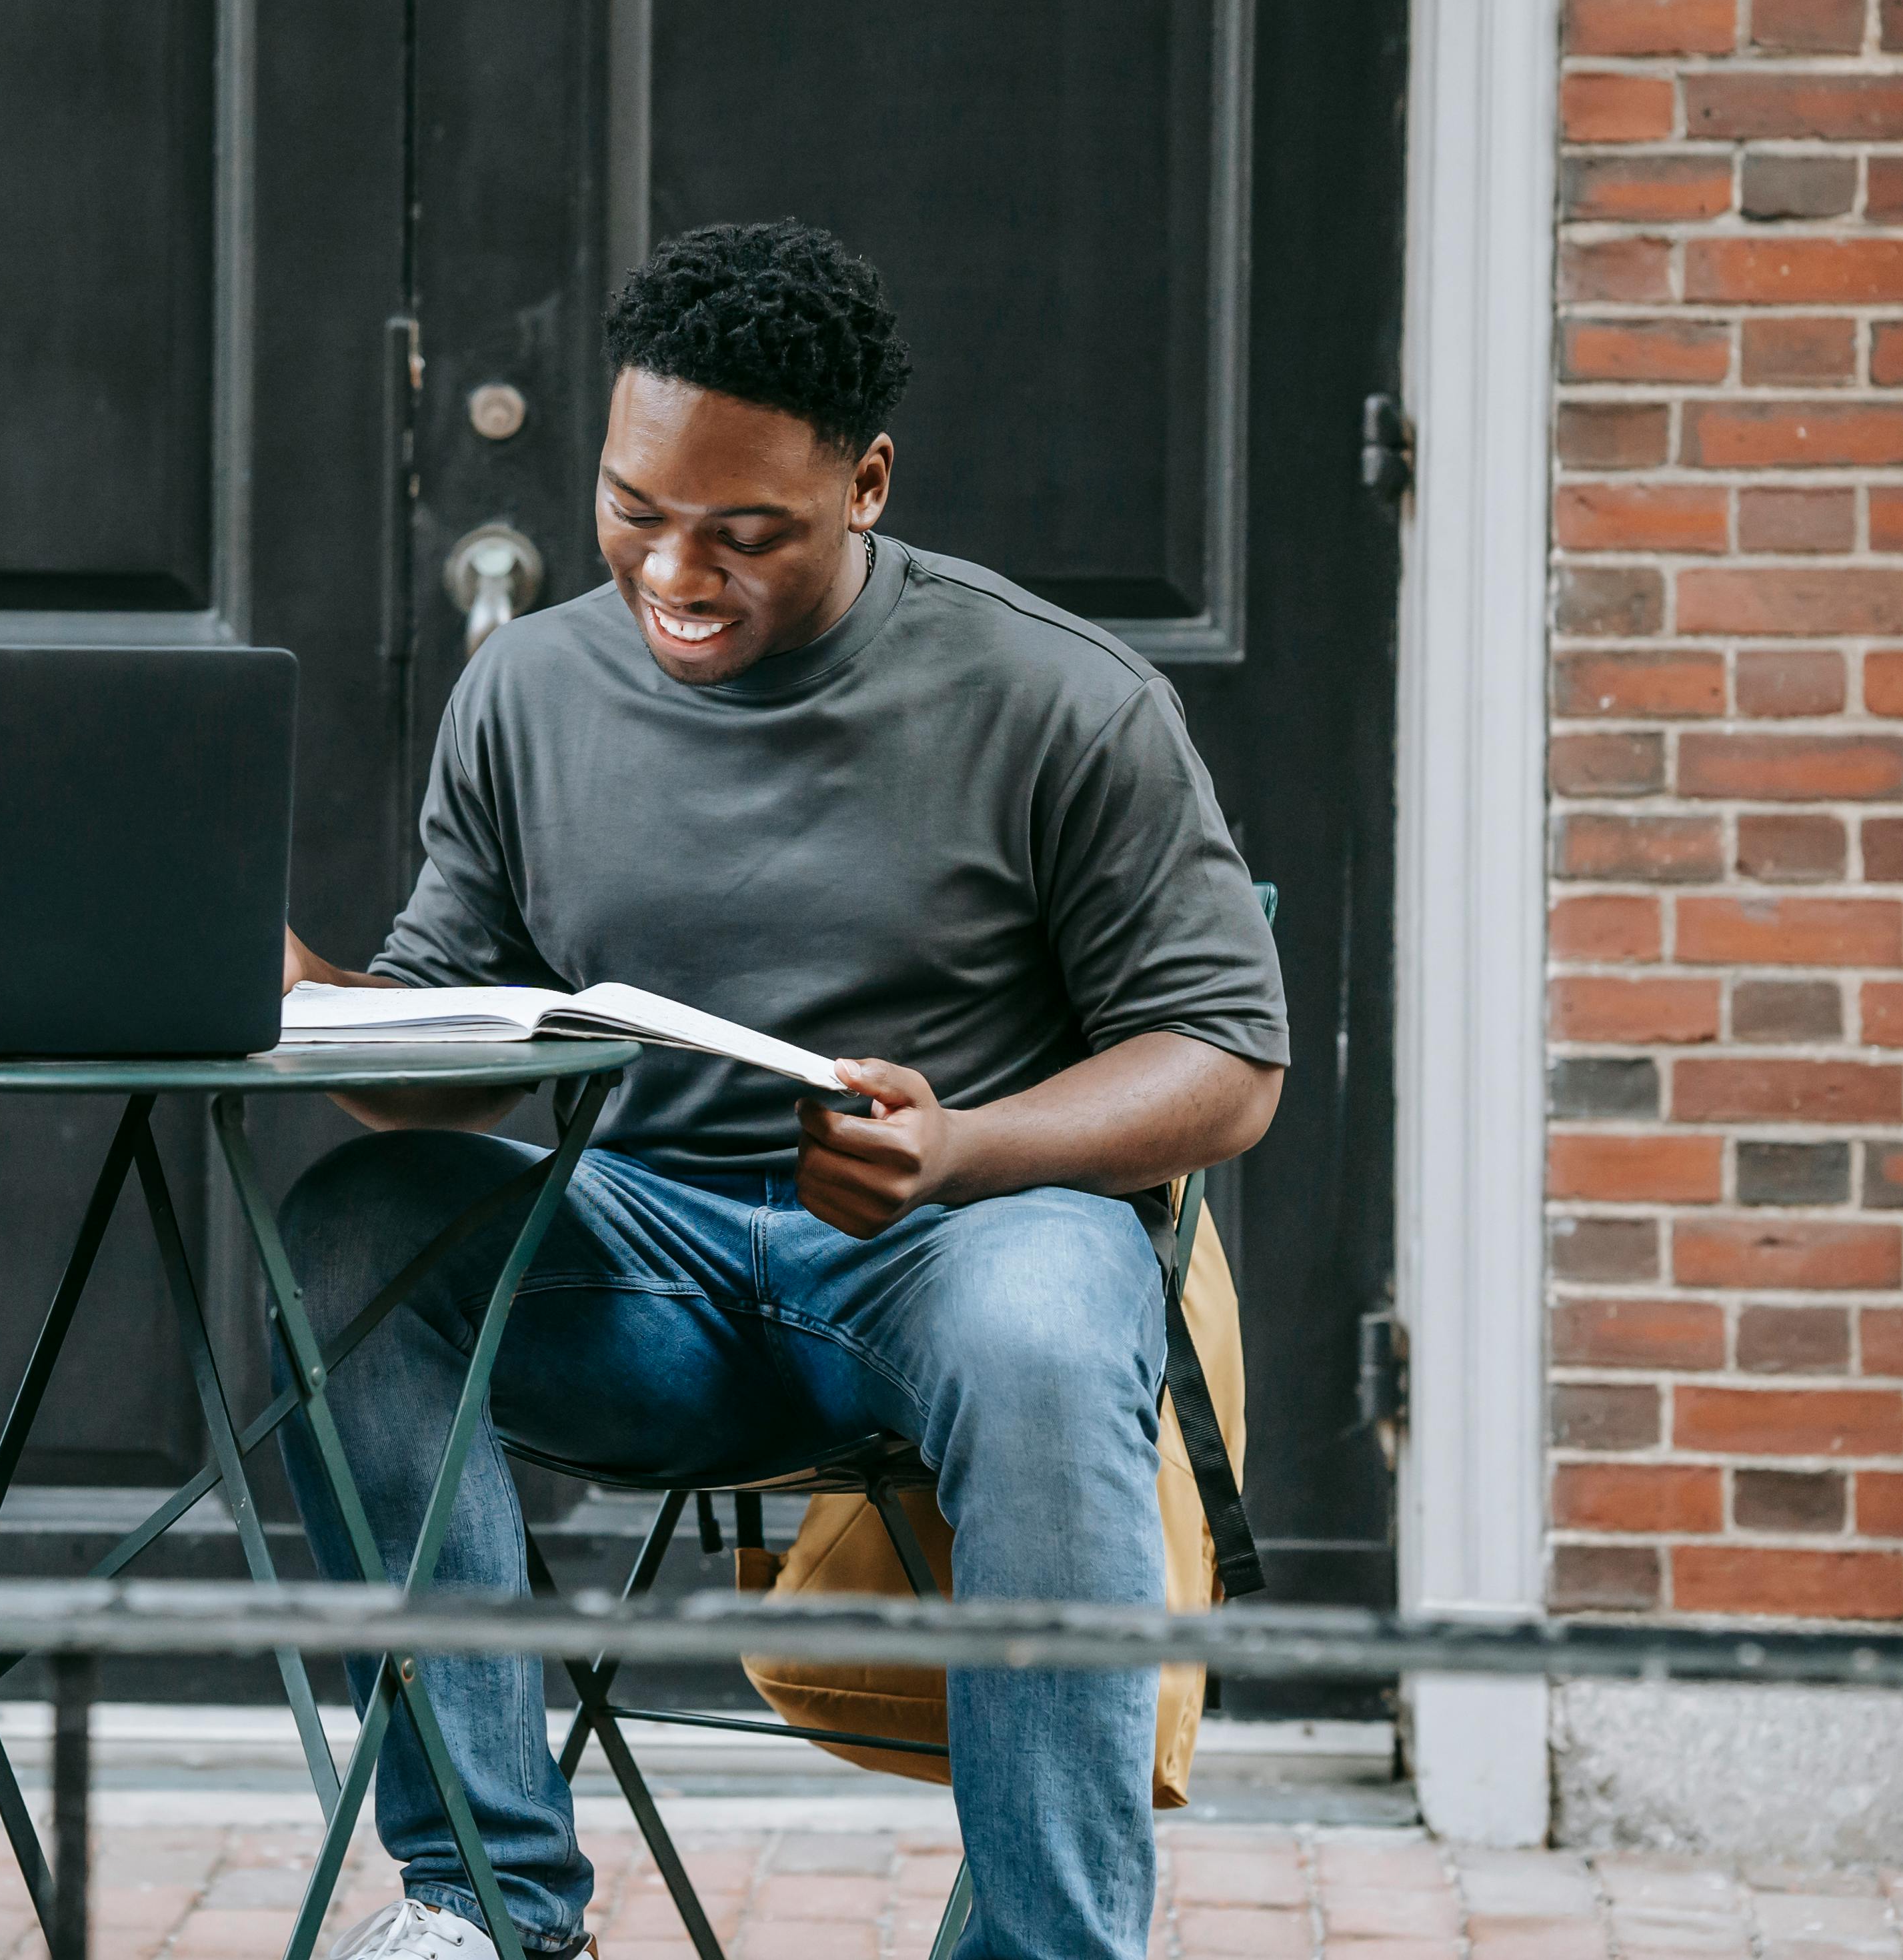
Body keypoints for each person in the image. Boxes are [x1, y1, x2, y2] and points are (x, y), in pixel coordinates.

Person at [282, 221, 1288, 1960]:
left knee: (1055, 1322)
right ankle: (484, 1909)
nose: (673, 571)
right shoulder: (526, 687)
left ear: (867, 484)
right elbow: (440, 1054)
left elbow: (1226, 1063)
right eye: (632, 511)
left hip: (953, 1252)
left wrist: (968, 1144)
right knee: (351, 1236)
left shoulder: (1056, 700)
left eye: (742, 533)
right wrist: (306, 1005)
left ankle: (1048, 1948)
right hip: (643, 1273)